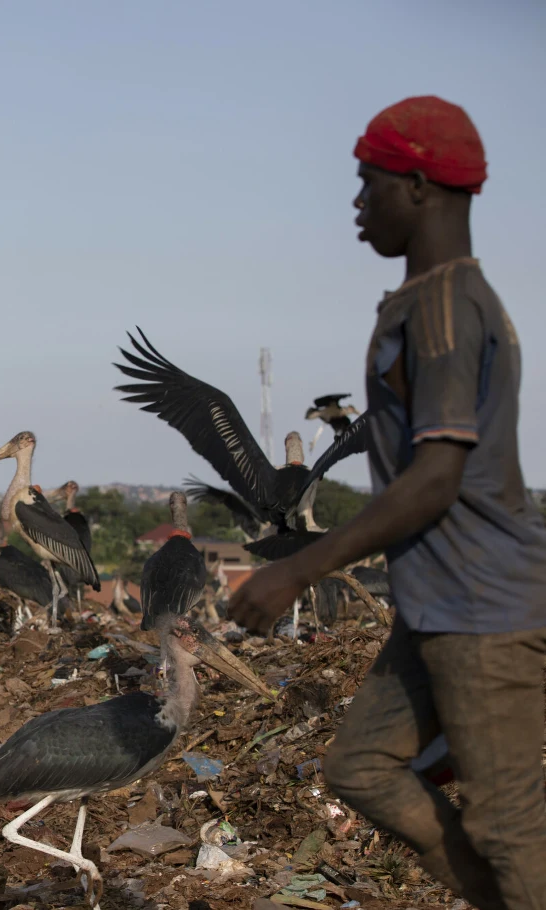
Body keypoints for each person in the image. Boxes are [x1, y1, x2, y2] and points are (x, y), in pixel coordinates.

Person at [231, 96, 546, 909]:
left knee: (510, 829)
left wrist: (298, 569)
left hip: (482, 609)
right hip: (437, 605)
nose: (357, 202)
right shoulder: (427, 301)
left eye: (367, 182)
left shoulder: (447, 309)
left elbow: (437, 476)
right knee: (360, 766)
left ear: (416, 185)